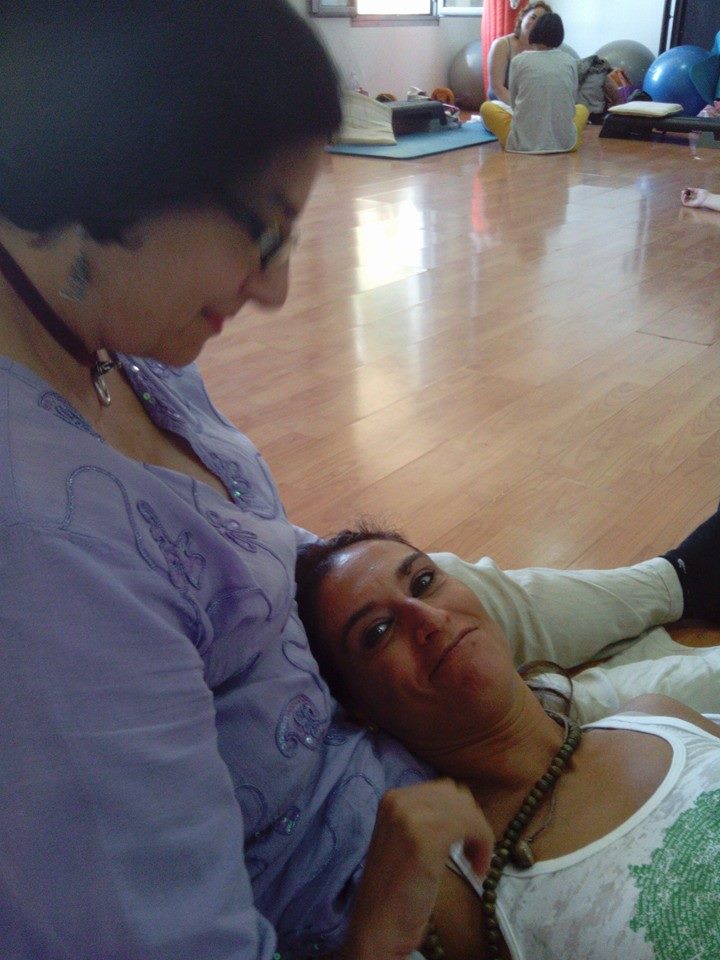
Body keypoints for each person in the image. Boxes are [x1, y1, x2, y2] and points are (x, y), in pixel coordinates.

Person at [0, 4, 712, 959]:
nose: (276, 289)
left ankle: (671, 581)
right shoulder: (43, 558)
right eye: (265, 231)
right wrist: (380, 922)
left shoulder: (118, 337)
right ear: (122, 169)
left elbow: (220, 545)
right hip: (388, 871)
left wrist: (367, 578)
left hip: (381, 731)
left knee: (430, 581)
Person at [295, 526, 720, 959]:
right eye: (378, 631)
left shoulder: (659, 717)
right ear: (357, 707)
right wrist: (373, 943)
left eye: (423, 582)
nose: (429, 618)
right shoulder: (446, 901)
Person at [481, 13, 589, 154]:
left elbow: (514, 102)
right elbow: (572, 99)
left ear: (535, 32)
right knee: (582, 109)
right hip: (567, 143)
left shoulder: (519, 61)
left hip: (521, 144)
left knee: (487, 107)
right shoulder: (570, 60)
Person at [485, 1, 552, 104]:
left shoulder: (545, 49)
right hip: (504, 102)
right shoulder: (501, 45)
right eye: (533, 17)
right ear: (522, 17)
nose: (535, 24)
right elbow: (497, 87)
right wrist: (520, 107)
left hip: (533, 105)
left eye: (540, 22)